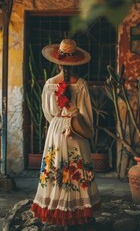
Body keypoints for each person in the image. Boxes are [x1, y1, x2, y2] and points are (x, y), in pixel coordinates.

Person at [31, 39, 101, 231]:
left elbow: (47, 112)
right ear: (76, 62)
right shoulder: (81, 84)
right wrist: (75, 121)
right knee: (77, 169)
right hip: (75, 131)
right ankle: (79, 212)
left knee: (56, 168)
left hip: (56, 129)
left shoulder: (49, 84)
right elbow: (86, 115)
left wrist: (58, 121)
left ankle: (55, 210)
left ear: (58, 62)